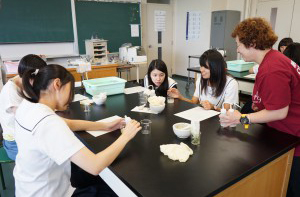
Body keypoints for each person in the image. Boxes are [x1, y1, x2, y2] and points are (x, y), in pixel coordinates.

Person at [14, 64, 141, 196]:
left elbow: (67, 123)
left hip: (27, 189)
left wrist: (105, 125)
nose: (71, 97)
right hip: (49, 193)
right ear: (57, 84)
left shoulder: (28, 106)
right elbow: (95, 166)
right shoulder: (49, 123)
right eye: (70, 90)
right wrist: (125, 136)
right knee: (113, 190)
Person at [219, 17, 300, 197]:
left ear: (252, 43)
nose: (238, 50)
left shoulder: (273, 68)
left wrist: (241, 117)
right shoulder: (271, 61)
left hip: (294, 138)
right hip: (285, 134)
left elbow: (280, 111)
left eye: (239, 44)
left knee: (290, 188)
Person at [0, 54, 47, 160]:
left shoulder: (24, 82)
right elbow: (27, 121)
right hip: (15, 144)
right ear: (29, 76)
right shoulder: (10, 92)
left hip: (27, 136)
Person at [168, 49, 239, 111]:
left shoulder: (231, 83)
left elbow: (228, 111)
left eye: (206, 67)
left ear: (216, 68)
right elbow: (194, 102)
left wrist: (213, 107)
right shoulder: (200, 80)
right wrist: (180, 97)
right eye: (201, 66)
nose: (201, 70)